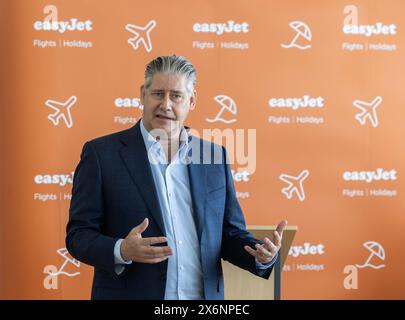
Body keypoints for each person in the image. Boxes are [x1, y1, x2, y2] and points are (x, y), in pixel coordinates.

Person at [66, 55, 287, 300]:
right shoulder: (101, 154)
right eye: (158, 94)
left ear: (191, 101)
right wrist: (122, 249)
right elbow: (79, 236)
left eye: (176, 96)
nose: (166, 104)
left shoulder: (213, 156)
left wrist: (260, 255)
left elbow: (229, 234)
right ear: (143, 95)